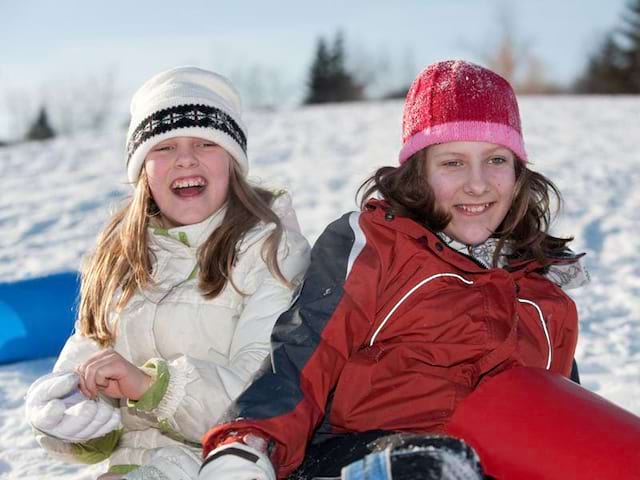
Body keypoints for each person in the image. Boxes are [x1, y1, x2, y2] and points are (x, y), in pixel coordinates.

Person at [197, 60, 594, 480]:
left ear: (518, 173)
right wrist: (250, 443)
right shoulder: (376, 247)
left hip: (489, 468)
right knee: (437, 466)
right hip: (360, 459)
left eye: (496, 160)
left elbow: (568, 424)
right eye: (452, 163)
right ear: (417, 172)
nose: (478, 184)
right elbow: (306, 349)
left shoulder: (544, 296)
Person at [24, 66, 310, 480]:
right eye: (165, 147)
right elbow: (85, 370)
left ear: (232, 162)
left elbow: (261, 399)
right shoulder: (119, 259)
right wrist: (67, 417)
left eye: (205, 143)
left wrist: (151, 387)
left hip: (223, 464)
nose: (186, 158)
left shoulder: (271, 251)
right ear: (142, 170)